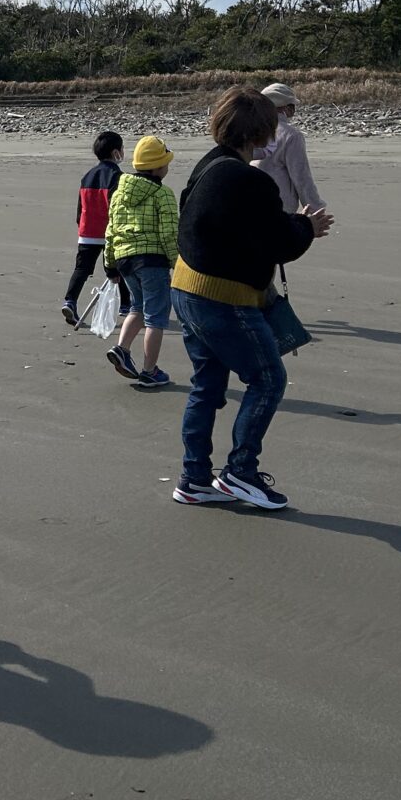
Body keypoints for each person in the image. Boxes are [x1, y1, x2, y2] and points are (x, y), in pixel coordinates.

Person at [170, 87, 335, 510]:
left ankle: (194, 478)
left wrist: (293, 227)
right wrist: (306, 228)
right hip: (221, 297)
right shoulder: (249, 179)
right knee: (268, 379)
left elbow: (220, 222)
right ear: (263, 131)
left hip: (186, 287)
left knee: (206, 387)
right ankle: (239, 473)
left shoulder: (211, 164)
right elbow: (279, 243)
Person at [106, 136, 177, 390]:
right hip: (152, 260)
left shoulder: (119, 193)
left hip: (125, 259)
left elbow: (111, 230)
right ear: (158, 167)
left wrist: (110, 263)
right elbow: (169, 233)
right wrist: (176, 261)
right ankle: (150, 371)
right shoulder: (163, 194)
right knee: (156, 317)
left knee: (137, 306)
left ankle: (122, 348)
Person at [60, 130, 127, 327]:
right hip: (109, 233)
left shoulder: (87, 176)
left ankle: (70, 300)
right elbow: (118, 207)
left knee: (81, 269)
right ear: (116, 152)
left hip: (87, 232)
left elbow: (80, 207)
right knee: (119, 268)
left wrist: (80, 224)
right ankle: (126, 304)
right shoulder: (117, 176)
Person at [252, 82, 324, 215]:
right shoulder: (291, 135)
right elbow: (301, 176)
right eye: (293, 107)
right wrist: (315, 208)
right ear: (286, 108)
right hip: (278, 205)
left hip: (249, 202)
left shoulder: (252, 130)